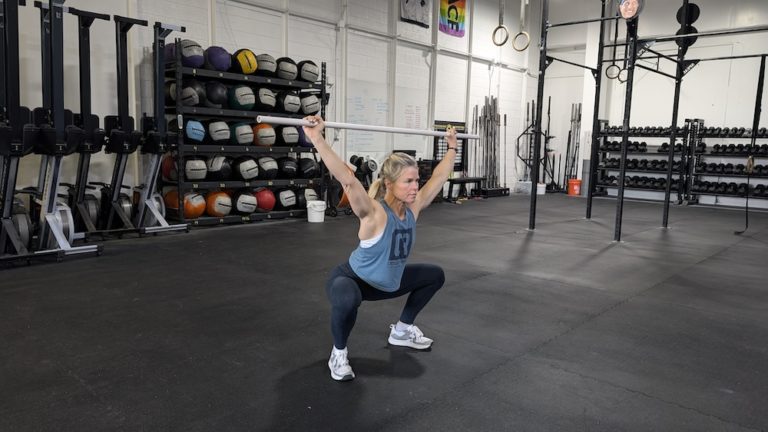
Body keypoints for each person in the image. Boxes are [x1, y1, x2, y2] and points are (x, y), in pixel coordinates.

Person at [302, 115, 459, 381]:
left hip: (388, 283)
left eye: (416, 180)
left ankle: (401, 331)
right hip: (353, 280)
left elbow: (440, 176)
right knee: (347, 297)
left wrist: (452, 146)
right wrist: (317, 137)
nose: (415, 187)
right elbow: (348, 180)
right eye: (408, 181)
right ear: (389, 184)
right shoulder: (374, 213)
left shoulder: (414, 207)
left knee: (434, 275)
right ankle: (338, 353)